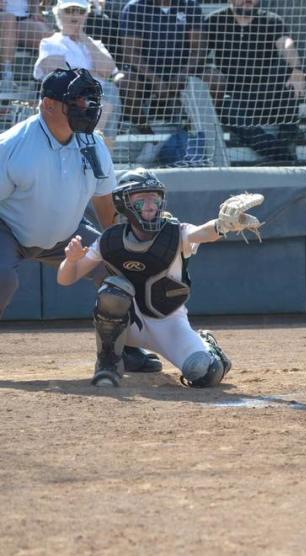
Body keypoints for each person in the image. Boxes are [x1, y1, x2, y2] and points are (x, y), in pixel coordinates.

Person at [0, 68, 160, 372]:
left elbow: (103, 202)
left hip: (67, 234)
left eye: (88, 100)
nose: (86, 107)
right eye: (75, 101)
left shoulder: (93, 144)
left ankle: (122, 349)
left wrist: (121, 251)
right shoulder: (11, 146)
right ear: (48, 105)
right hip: (8, 230)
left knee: (124, 266)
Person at [56, 168, 261, 387]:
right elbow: (66, 278)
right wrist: (71, 261)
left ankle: (207, 345)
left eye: (154, 198)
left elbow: (202, 233)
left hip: (169, 324)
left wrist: (222, 225)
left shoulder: (176, 232)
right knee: (113, 290)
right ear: (124, 202)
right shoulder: (110, 239)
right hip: (130, 327)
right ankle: (110, 361)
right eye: (141, 199)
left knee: (204, 372)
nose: (151, 204)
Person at [205, 0, 306, 165]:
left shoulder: (272, 20)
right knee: (225, 104)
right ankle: (284, 156)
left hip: (265, 94)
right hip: (232, 96)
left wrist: (297, 69)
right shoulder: (215, 20)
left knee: (288, 70)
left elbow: (286, 43)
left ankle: (288, 133)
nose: (247, 1)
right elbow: (200, 53)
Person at [33, 0, 121, 149]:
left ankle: (95, 146)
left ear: (86, 15)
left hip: (98, 98)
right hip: (67, 98)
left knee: (110, 92)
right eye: (69, 11)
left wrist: (84, 39)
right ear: (58, 14)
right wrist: (92, 72)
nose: (75, 15)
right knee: (106, 96)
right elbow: (58, 73)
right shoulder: (50, 42)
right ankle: (92, 144)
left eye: (80, 11)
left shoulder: (94, 44)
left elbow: (107, 70)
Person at [117, 0, 204, 133]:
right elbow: (130, 52)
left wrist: (181, 76)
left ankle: (196, 132)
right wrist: (155, 80)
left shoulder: (191, 6)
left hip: (184, 73)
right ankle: (146, 133)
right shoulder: (134, 8)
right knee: (125, 81)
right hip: (144, 74)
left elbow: (198, 50)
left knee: (214, 79)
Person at [1, 0, 53, 93]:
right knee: (9, 19)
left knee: (48, 37)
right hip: (3, 17)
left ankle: (45, 85)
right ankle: (6, 78)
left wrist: (36, 11)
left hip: (23, 19)